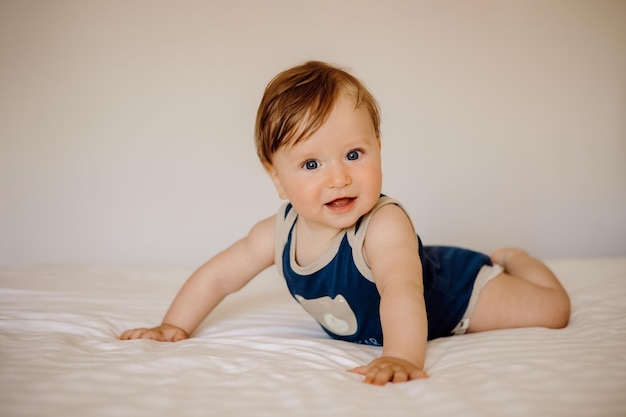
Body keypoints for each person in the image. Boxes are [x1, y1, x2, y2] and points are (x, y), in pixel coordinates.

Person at [120, 61, 571, 385]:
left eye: (354, 155)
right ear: (277, 177)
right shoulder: (276, 233)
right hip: (411, 288)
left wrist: (400, 356)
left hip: (453, 294)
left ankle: (518, 259)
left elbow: (402, 292)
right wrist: (172, 325)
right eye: (311, 163)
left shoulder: (383, 225)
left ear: (378, 148)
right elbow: (217, 277)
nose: (338, 177)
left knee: (552, 312)